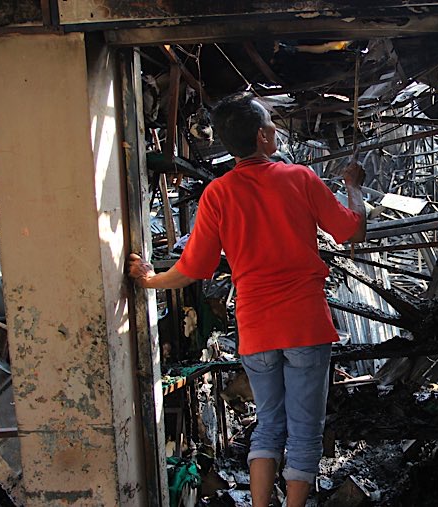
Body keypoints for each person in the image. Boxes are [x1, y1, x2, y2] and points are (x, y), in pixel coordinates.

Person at [127, 92, 366, 507]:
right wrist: (353, 188)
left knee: (269, 425)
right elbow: (351, 232)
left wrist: (150, 280)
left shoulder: (218, 194)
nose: (275, 132)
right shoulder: (300, 178)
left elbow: (194, 268)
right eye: (272, 126)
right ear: (263, 138)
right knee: (305, 428)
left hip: (256, 328)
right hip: (305, 324)